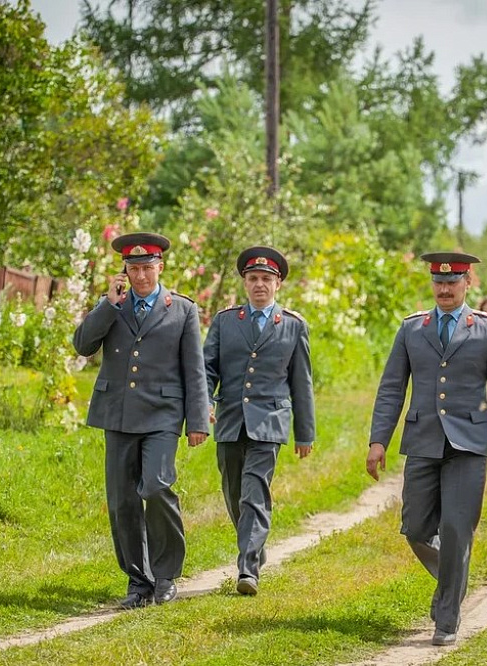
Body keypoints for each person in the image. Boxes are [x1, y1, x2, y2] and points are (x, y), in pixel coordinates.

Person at [366, 252, 487, 647]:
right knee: (416, 528)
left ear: (467, 283)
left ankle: (447, 616)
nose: (444, 288)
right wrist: (378, 440)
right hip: (422, 441)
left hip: (469, 446)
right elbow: (392, 388)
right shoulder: (412, 329)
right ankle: (455, 576)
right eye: (438, 282)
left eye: (452, 282)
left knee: (456, 529)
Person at [72, 231, 210, 609]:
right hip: (117, 415)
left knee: (156, 486)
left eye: (147, 268)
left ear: (160, 267)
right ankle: (139, 581)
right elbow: (82, 345)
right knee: (122, 502)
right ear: (125, 272)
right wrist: (107, 306)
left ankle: (165, 575)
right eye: (134, 269)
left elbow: (194, 370)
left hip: (163, 417)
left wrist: (198, 420)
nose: (141, 276)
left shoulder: (181, 309)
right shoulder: (113, 305)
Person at [202, 246, 315, 596]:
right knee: (234, 494)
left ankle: (247, 568)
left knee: (254, 493)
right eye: (253, 279)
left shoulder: (293, 326)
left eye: (266, 279)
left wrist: (304, 433)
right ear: (244, 283)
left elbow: (302, 382)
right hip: (231, 420)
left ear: (277, 284)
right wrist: (204, 401)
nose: (259, 285)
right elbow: (206, 368)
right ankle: (255, 544)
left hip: (270, 421)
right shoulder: (225, 321)